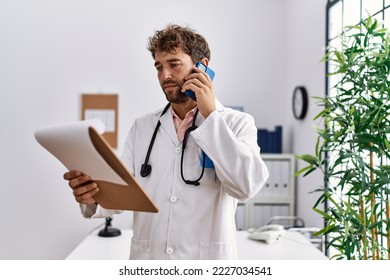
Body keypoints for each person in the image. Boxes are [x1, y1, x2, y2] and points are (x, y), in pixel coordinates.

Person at [64, 24, 269, 260]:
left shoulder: (236, 123)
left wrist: (211, 117)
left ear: (202, 66)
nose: (165, 76)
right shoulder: (143, 127)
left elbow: (246, 186)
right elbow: (122, 193)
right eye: (159, 67)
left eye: (174, 64)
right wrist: (92, 197)